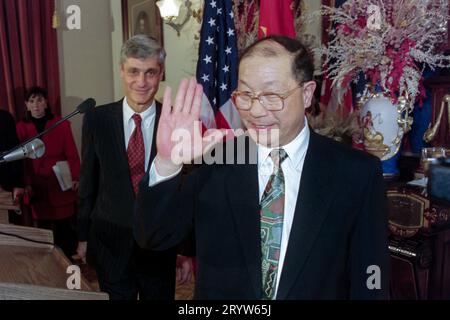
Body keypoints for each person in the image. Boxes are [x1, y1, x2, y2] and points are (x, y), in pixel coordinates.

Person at [134, 35, 390, 299]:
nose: (255, 111)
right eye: (245, 95)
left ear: (306, 94)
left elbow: (371, 273)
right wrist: (167, 162)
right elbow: (154, 237)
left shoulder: (356, 173)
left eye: (271, 95)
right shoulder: (218, 160)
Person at [76, 35, 193, 300]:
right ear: (121, 71)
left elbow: (186, 191)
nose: (141, 82)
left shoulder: (176, 121)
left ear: (161, 73)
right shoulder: (96, 119)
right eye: (134, 72)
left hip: (159, 247)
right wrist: (82, 236)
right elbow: (88, 181)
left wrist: (186, 250)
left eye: (150, 72)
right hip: (110, 243)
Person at [16, 87, 80, 255]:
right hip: (37, 185)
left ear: (46, 103)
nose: (36, 105)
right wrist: (26, 184)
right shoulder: (21, 128)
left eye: (39, 100)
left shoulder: (61, 124)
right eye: (31, 101)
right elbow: (20, 162)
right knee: (43, 231)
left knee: (65, 230)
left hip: (61, 181)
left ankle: (68, 267)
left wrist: (75, 178)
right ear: (26, 105)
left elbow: (72, 154)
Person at [0, 109, 24, 223]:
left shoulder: (5, 117)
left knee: (11, 225)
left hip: (6, 181)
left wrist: (18, 184)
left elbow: (16, 152)